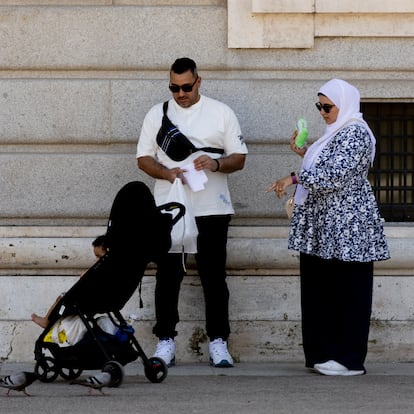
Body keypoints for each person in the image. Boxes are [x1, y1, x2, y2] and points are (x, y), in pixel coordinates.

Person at [268, 78, 390, 376]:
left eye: (327, 106)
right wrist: (305, 153)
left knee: (347, 291)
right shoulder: (336, 133)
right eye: (319, 106)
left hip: (347, 228)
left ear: (344, 104)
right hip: (326, 227)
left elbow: (336, 175)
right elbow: (326, 167)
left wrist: (293, 178)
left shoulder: (356, 132)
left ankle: (348, 359)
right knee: (322, 289)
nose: (322, 112)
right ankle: (322, 353)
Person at [136, 57, 247, 367]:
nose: (180, 93)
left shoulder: (221, 112)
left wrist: (215, 164)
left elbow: (239, 158)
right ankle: (166, 341)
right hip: (170, 208)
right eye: (174, 87)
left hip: (212, 207)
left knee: (214, 277)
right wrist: (167, 173)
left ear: (199, 82)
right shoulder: (157, 115)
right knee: (168, 276)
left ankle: (219, 341)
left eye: (186, 87)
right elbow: (143, 158)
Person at [31, 235, 107, 328]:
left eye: (99, 257)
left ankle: (47, 321)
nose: (98, 260)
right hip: (96, 299)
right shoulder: (103, 268)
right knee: (62, 299)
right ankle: (48, 321)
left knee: (62, 298)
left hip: (92, 300)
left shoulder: (102, 268)